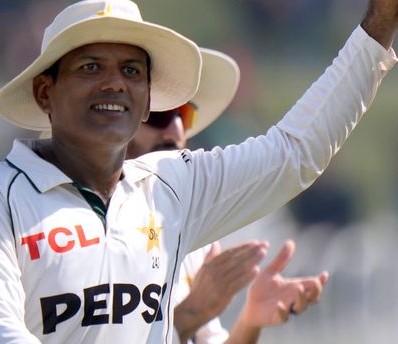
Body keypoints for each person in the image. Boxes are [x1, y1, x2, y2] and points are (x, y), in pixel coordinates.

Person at [0, 0, 398, 342]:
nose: (114, 83)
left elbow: (295, 153)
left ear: (148, 97)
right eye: (90, 67)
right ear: (44, 93)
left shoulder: (170, 187)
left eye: (131, 70)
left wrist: (378, 26)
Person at [127, 48, 328, 343]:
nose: (176, 130)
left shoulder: (184, 231)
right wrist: (193, 312)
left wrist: (251, 320)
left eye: (185, 115)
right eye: (159, 115)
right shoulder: (77, 229)